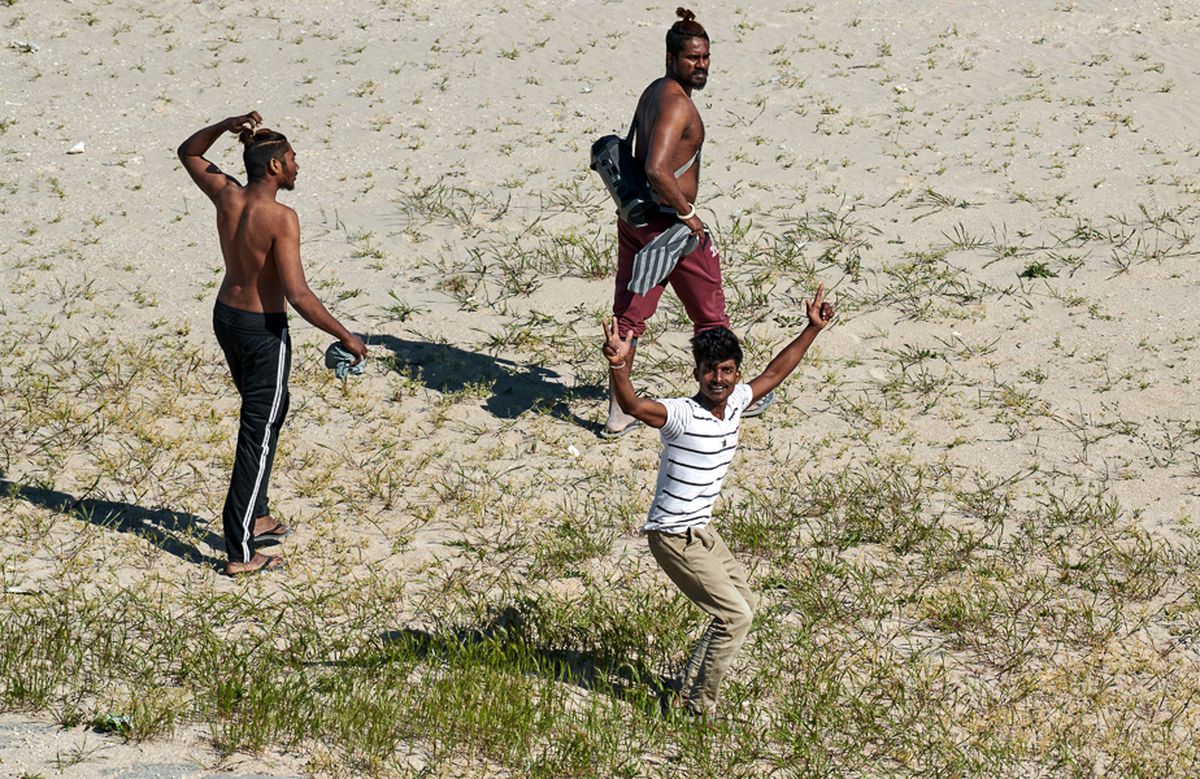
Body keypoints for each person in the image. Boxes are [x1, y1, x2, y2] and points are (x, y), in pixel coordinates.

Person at [601, 285, 834, 715]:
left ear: (736, 374)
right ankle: (697, 706)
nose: (718, 379)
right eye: (710, 371)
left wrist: (811, 329)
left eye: (727, 371)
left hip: (702, 531)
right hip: (673, 536)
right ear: (697, 373)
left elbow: (776, 372)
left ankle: (686, 682)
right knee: (735, 617)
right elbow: (633, 405)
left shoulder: (738, 403)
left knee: (746, 604)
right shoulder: (680, 416)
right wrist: (619, 366)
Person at [178, 111, 367, 576]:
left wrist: (225, 125)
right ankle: (242, 549)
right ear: (276, 168)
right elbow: (298, 294)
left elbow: (189, 151)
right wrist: (346, 336)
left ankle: (257, 513)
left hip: (227, 318)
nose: (298, 166)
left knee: (267, 416)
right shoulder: (281, 218)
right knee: (256, 433)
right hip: (263, 332)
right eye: (293, 159)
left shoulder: (226, 194)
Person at [606, 7, 750, 438]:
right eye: (692, 58)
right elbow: (655, 168)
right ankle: (722, 397)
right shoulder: (676, 105)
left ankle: (618, 411)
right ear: (672, 58)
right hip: (670, 229)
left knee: (628, 318)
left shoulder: (655, 91)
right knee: (711, 316)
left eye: (705, 57)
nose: (701, 65)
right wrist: (688, 215)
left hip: (636, 220)